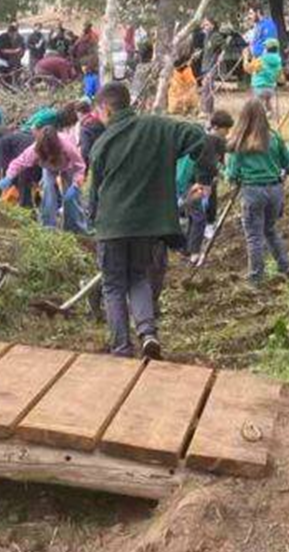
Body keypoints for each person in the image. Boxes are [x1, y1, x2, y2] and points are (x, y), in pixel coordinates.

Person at [88, 82, 205, 358]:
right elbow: (198, 136)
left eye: (98, 112)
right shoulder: (157, 127)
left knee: (113, 285)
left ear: (106, 109)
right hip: (146, 226)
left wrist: (93, 220)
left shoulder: (103, 143)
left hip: (112, 226)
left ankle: (121, 347)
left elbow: (95, 194)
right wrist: (203, 175)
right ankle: (148, 333)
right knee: (138, 278)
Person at [225, 100, 289, 282]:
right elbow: (287, 162)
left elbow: (232, 173)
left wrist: (227, 176)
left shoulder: (240, 140)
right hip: (275, 189)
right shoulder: (274, 137)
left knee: (254, 236)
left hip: (253, 190)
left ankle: (256, 276)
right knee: (270, 230)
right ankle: (285, 266)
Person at [0, 126, 87, 232]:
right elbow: (20, 162)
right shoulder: (35, 149)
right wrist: (9, 176)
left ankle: (76, 227)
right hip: (49, 168)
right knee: (48, 189)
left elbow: (80, 167)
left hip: (68, 166)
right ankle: (48, 225)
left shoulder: (67, 146)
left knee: (71, 197)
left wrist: (76, 184)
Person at [180, 109, 232, 261]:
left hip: (199, 183)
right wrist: (217, 176)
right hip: (197, 184)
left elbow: (220, 160)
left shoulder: (215, 140)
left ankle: (187, 248)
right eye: (225, 130)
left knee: (194, 216)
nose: (227, 133)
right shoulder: (210, 140)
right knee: (198, 218)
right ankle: (194, 253)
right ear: (215, 127)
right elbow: (206, 164)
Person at [245, 34, 283, 116]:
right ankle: (270, 113)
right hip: (271, 88)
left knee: (258, 104)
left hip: (259, 87)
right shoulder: (278, 61)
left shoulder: (261, 60)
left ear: (266, 49)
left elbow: (248, 68)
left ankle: (261, 116)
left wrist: (245, 57)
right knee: (267, 101)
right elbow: (279, 74)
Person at [197, 17, 223, 116]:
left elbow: (224, 46)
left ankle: (205, 110)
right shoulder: (206, 36)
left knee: (206, 87)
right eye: (204, 24)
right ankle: (209, 110)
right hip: (205, 65)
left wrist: (221, 56)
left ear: (212, 25)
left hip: (212, 65)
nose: (205, 26)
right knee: (207, 87)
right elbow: (207, 50)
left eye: (207, 24)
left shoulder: (216, 36)